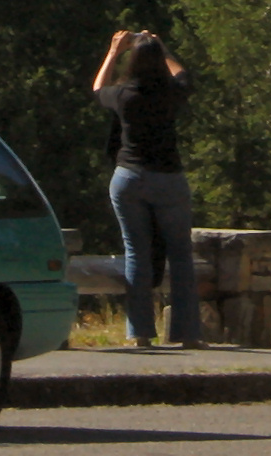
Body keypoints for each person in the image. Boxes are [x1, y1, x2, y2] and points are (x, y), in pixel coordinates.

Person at [89, 28, 202, 349]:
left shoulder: (124, 95)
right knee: (181, 255)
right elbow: (185, 75)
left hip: (129, 176)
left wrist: (113, 50)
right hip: (168, 178)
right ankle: (189, 333)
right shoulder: (172, 93)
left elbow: (98, 88)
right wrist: (162, 47)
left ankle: (140, 333)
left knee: (136, 253)